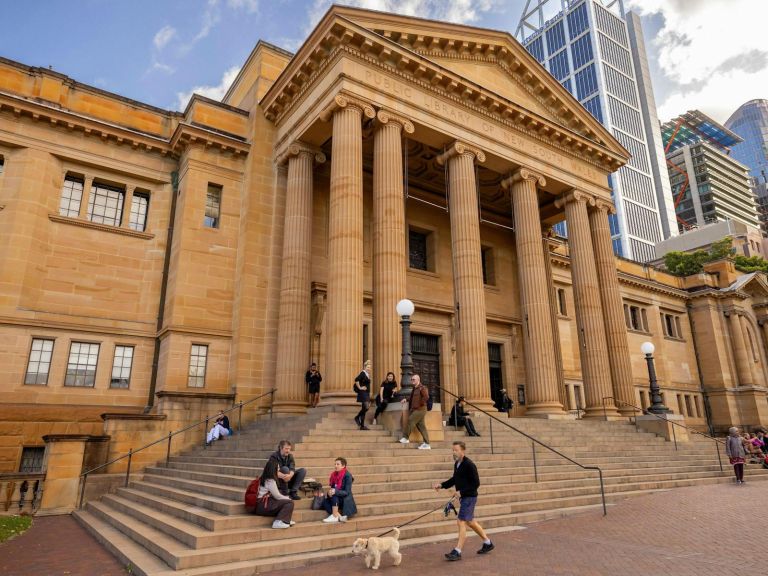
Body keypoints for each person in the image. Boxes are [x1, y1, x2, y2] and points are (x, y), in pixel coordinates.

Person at [433, 441, 494, 561]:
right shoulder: (457, 464)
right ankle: (488, 543)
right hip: (464, 497)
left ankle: (457, 551)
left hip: (469, 497)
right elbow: (455, 479)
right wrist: (442, 485)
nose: (454, 452)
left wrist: (462, 492)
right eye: (453, 450)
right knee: (470, 522)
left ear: (463, 451)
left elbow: (476, 483)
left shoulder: (469, 464)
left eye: (456, 450)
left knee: (461, 521)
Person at [254, 458, 296, 529]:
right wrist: (288, 498)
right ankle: (278, 522)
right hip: (262, 506)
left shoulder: (264, 478)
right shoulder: (270, 481)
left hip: (260, 505)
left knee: (282, 501)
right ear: (273, 469)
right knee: (289, 503)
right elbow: (277, 496)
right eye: (278, 468)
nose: (279, 470)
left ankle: (285, 520)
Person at [399, 374, 431, 450]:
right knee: (421, 427)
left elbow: (426, 397)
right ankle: (427, 444)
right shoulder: (415, 388)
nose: (412, 381)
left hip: (420, 409)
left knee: (410, 420)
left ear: (418, 380)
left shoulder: (422, 388)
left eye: (414, 379)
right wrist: (406, 399)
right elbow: (412, 397)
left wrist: (420, 403)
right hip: (416, 409)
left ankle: (405, 438)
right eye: (411, 379)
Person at [322, 457, 357, 524]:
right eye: (335, 464)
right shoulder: (334, 475)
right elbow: (333, 488)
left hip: (345, 499)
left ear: (343, 466)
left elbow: (347, 492)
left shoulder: (348, 476)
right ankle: (338, 516)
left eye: (338, 464)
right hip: (337, 499)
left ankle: (334, 515)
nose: (335, 466)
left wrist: (335, 491)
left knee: (335, 495)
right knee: (325, 501)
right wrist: (329, 492)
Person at [354, 361, 372, 431]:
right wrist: (360, 387)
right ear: (364, 367)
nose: (369, 368)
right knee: (366, 407)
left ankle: (362, 425)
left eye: (370, 367)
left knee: (365, 408)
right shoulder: (363, 373)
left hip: (366, 393)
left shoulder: (367, 374)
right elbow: (356, 380)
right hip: (363, 393)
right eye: (368, 367)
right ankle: (357, 417)